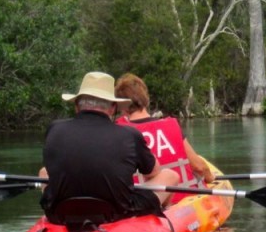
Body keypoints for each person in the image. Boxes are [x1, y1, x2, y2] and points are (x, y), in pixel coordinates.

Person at [39, 71, 180, 223]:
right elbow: (153, 172)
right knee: (170, 175)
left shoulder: (54, 129)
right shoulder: (129, 135)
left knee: (43, 172)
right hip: (117, 213)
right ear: (113, 108)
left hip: (59, 213)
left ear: (76, 106)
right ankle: (163, 218)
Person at [114, 73, 214, 205]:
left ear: (122, 105)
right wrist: (210, 178)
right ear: (146, 99)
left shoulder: (117, 131)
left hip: (144, 203)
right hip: (184, 201)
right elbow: (198, 167)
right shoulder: (171, 125)